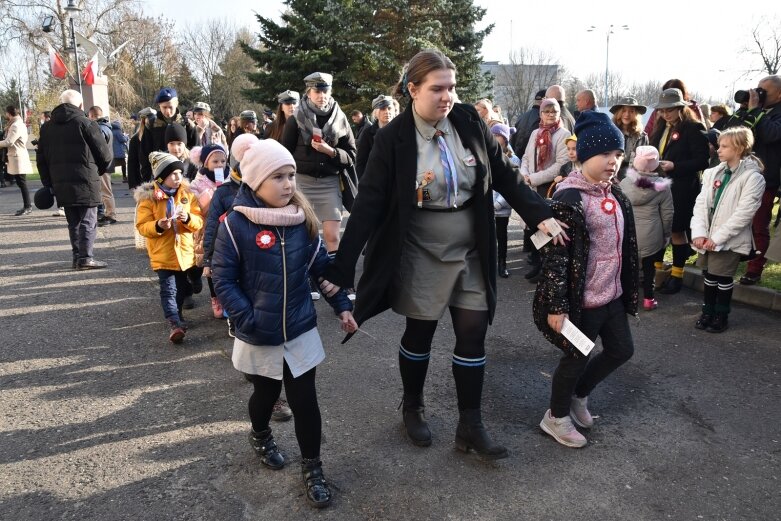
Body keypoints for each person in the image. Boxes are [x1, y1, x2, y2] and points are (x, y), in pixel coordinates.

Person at [322, 49, 561, 458]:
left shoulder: (468, 120)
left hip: (470, 245)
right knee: (421, 331)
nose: (447, 96)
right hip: (420, 247)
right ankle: (412, 406)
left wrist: (539, 214)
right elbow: (369, 203)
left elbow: (503, 172)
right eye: (437, 89)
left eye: (451, 87)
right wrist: (343, 266)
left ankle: (471, 424)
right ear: (412, 89)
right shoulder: (393, 137)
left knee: (473, 331)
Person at [211, 139, 357, 508]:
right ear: (256, 181)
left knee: (305, 402)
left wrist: (341, 306)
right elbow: (223, 279)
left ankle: (313, 467)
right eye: (278, 177)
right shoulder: (235, 225)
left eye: (291, 175)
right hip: (259, 331)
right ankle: (260, 434)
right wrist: (247, 317)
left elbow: (320, 270)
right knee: (264, 395)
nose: (288, 184)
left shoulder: (303, 222)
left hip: (299, 328)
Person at [533, 111, 639, 448]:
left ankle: (580, 395)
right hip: (582, 301)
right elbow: (554, 256)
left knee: (621, 349)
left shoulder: (615, 194)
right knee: (576, 356)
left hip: (612, 296)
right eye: (605, 154)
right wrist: (557, 305)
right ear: (585, 155)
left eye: (618, 154)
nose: (613, 162)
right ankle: (556, 416)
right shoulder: (569, 197)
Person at [691, 127, 765, 332]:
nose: (718, 149)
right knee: (709, 275)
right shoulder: (712, 172)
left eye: (724, 146)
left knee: (722, 276)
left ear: (740, 148)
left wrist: (718, 237)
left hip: (729, 238)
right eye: (719, 145)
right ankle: (707, 311)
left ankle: (721, 315)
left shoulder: (752, 178)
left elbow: (744, 213)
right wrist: (699, 232)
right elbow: (701, 205)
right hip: (707, 236)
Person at [281, 72, 356, 256]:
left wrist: (330, 151)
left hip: (329, 182)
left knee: (332, 236)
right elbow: (284, 154)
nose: (322, 96)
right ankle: (307, 279)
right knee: (304, 235)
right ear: (309, 92)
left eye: (325, 91)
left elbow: (352, 155)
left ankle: (334, 280)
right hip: (302, 183)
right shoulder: (295, 119)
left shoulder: (341, 118)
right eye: (317, 91)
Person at [37, 90, 113, 269]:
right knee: (88, 220)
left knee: (73, 221)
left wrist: (49, 182)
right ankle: (86, 258)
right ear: (80, 105)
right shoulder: (86, 123)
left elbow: (41, 159)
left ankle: (77, 257)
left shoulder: (47, 127)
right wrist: (98, 171)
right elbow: (104, 155)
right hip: (86, 179)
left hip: (60, 181)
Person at [134, 152, 203, 343]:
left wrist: (188, 219)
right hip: (163, 254)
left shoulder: (187, 195)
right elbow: (142, 226)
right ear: (161, 177)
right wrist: (158, 225)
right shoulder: (149, 199)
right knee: (168, 290)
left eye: (180, 173)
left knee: (181, 288)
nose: (177, 177)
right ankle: (174, 322)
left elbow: (199, 221)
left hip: (184, 253)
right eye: (172, 174)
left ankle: (178, 315)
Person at [649, 88, 710, 294]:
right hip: (659, 185)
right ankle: (656, 272)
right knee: (658, 229)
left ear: (681, 108)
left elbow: (702, 160)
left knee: (677, 230)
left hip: (683, 187)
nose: (665, 114)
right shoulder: (661, 127)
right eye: (662, 110)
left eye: (670, 110)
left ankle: (677, 275)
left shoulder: (693, 127)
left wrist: (675, 166)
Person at [729, 75, 781, 286]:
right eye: (757, 89)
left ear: (778, 94)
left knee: (758, 224)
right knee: (735, 220)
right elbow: (731, 132)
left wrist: (756, 110)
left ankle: (755, 268)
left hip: (765, 177)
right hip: (741, 174)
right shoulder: (753, 110)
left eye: (763, 91)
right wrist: (743, 110)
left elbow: (771, 134)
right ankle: (731, 259)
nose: (758, 94)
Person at [520, 97, 570, 281]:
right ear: (541, 113)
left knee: (548, 227)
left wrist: (532, 178)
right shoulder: (536, 133)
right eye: (547, 111)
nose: (550, 115)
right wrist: (524, 175)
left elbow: (560, 165)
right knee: (534, 226)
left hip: (549, 187)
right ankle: (537, 262)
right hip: (532, 185)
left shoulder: (563, 134)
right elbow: (526, 157)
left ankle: (545, 267)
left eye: (554, 111)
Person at [619, 146, 673, 311]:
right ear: (656, 164)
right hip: (651, 234)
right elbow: (668, 213)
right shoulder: (662, 187)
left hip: (628, 233)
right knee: (649, 268)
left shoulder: (625, 183)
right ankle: (649, 299)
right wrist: (666, 234)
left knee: (628, 267)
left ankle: (627, 298)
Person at [188, 143, 228, 317]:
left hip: (228, 229)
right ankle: (215, 297)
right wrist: (213, 197)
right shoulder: (197, 183)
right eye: (215, 161)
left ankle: (228, 297)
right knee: (210, 265)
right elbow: (196, 207)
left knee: (228, 265)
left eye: (223, 161)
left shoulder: (230, 180)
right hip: (207, 230)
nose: (220, 165)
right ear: (205, 163)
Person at [141, 87, 198, 178]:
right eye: (164, 107)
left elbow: (196, 151)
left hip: (183, 173)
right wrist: (146, 177)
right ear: (159, 105)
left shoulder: (187, 124)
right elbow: (145, 152)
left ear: (176, 104)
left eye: (170, 107)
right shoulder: (151, 124)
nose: (167, 111)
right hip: (159, 172)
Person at [489, 123, 519, 279]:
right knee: (488, 236)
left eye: (497, 135)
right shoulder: (486, 154)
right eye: (492, 135)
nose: (494, 138)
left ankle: (502, 263)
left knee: (502, 235)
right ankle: (489, 264)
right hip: (487, 206)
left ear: (505, 138)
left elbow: (511, 186)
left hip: (501, 207)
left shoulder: (513, 159)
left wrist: (497, 204)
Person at [88, 106, 117, 227]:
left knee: (105, 191)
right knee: (105, 191)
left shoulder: (99, 128)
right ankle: (108, 213)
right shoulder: (106, 127)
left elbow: (99, 148)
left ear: (92, 116)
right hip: (106, 163)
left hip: (103, 165)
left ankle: (110, 215)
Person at [0, 106, 33, 215]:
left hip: (17, 157)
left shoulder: (15, 125)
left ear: (9, 114)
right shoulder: (17, 124)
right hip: (16, 156)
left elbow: (9, 142)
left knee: (22, 183)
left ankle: (28, 206)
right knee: (21, 183)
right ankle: (27, 206)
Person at [355, 94, 397, 179]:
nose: (387, 112)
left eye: (389, 108)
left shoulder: (401, 131)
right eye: (382, 109)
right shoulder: (368, 133)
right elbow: (361, 162)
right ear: (376, 113)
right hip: (375, 181)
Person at [610, 96, 649, 180]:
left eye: (631, 111)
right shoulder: (610, 132)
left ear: (636, 114)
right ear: (618, 112)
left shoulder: (641, 136)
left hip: (631, 178)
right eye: (624, 111)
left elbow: (641, 163)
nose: (627, 114)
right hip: (609, 173)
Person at [510, 89, 545, 157]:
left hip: (519, 156)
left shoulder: (521, 117)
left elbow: (513, 139)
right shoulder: (542, 119)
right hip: (531, 158)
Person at [128, 107, 156, 189]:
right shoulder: (136, 139)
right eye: (148, 118)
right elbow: (132, 163)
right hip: (144, 179)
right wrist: (134, 185)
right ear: (144, 120)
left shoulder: (159, 134)